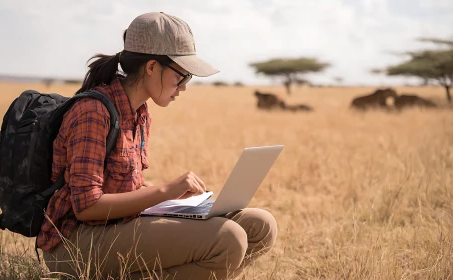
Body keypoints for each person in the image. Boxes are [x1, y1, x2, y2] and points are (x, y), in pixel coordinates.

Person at [37, 12, 278, 280]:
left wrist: (182, 200)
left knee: (261, 226)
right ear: (152, 67)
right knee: (228, 238)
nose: (184, 87)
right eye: (182, 76)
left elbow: (125, 185)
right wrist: (165, 191)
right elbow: (87, 206)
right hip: (76, 243)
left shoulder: (140, 113)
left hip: (120, 226)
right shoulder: (92, 112)